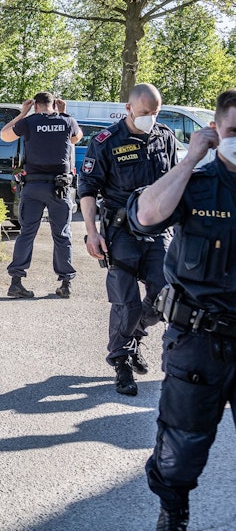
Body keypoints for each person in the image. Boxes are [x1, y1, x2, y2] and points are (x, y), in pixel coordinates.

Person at [128, 89, 236, 531]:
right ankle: (173, 513)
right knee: (181, 444)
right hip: (198, 342)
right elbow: (145, 217)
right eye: (235, 131)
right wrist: (190, 159)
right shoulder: (195, 182)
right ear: (215, 131)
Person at [78, 83, 179, 397]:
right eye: (145, 112)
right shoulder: (106, 141)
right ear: (129, 108)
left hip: (158, 230)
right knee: (126, 302)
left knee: (165, 296)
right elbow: (87, 190)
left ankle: (132, 337)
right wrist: (92, 233)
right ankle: (121, 360)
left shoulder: (165, 137)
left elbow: (175, 183)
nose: (151, 117)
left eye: (155, 112)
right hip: (120, 230)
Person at [0, 92, 82, 298]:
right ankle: (66, 284)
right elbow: (76, 138)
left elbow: (4, 135)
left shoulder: (29, 122)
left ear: (35, 105)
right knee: (62, 234)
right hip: (59, 188)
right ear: (54, 104)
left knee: (27, 233)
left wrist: (22, 113)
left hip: (33, 187)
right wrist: (63, 113)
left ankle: (16, 282)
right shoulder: (67, 121)